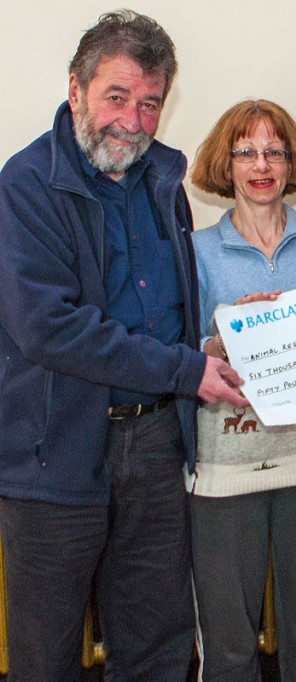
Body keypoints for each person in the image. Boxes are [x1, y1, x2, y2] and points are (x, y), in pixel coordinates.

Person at [0, 10, 248, 682]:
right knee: (46, 659)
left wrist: (225, 344)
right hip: (56, 456)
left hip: (157, 449)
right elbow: (49, 327)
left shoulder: (165, 182)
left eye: (150, 104)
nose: (134, 123)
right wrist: (185, 367)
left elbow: (163, 319)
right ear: (75, 90)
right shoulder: (24, 186)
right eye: (117, 98)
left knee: (157, 650)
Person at [188, 99, 296, 681]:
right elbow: (178, 356)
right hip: (222, 472)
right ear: (225, 164)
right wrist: (223, 337)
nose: (261, 165)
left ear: (291, 163)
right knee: (229, 651)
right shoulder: (195, 253)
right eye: (246, 152)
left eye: (274, 152)